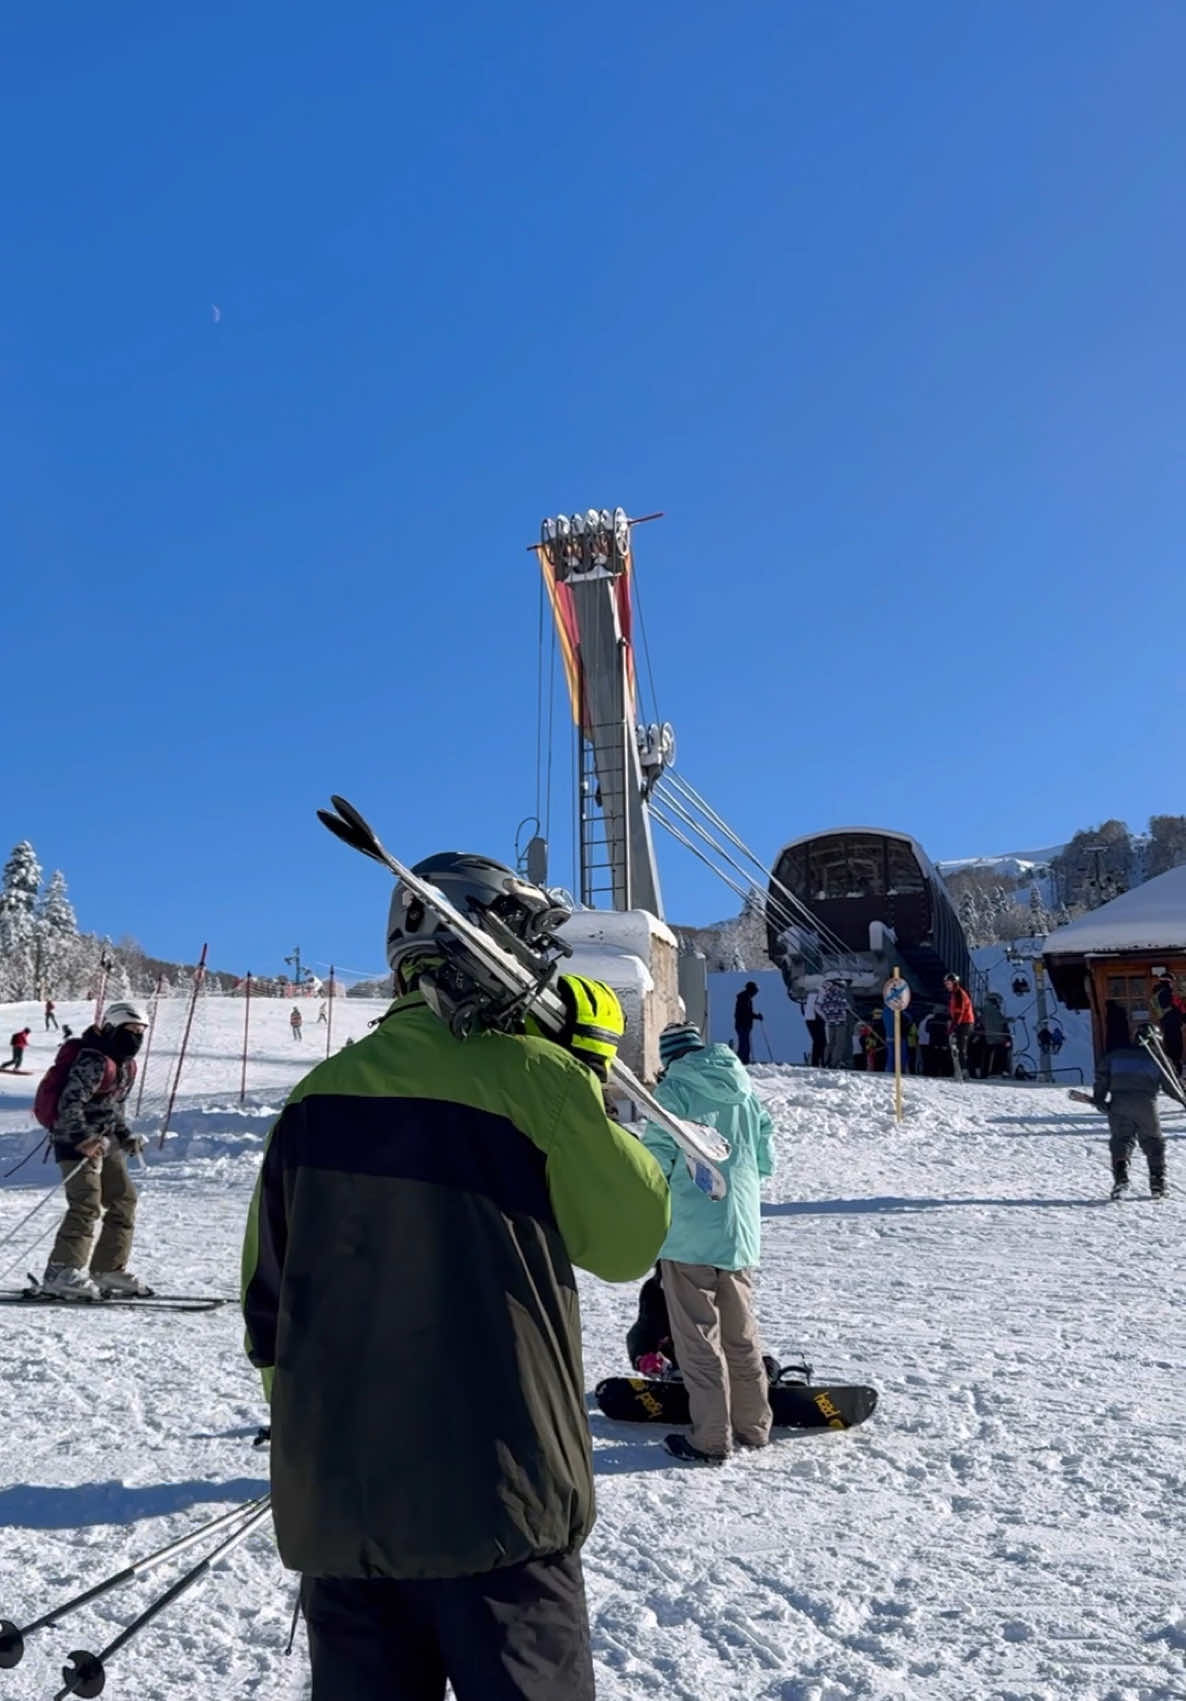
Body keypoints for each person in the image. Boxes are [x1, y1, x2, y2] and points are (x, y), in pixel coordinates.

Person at [242, 851, 670, 1701]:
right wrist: (583, 1078)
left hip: (345, 1517)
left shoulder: (312, 1100)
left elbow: (268, 1317)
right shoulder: (536, 1079)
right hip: (499, 1511)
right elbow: (631, 1238)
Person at [641, 1021, 775, 1465]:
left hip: (690, 1234)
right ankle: (754, 1427)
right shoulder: (745, 1089)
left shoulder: (674, 1093)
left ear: (670, 1058)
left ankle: (711, 1438)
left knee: (698, 1338)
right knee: (741, 1335)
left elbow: (655, 1162)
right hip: (739, 1233)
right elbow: (765, 1160)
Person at [41, 1002, 150, 1300]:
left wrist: (125, 1136)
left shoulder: (125, 1064)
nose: (137, 1037)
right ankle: (61, 1271)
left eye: (141, 1032)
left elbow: (112, 1107)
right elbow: (69, 1104)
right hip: (74, 1140)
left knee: (123, 1199)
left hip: (105, 1141)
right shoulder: (93, 1060)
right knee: (86, 1204)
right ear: (112, 1027)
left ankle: (108, 1269)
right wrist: (83, 1138)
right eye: (131, 1030)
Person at [1093, 1005, 1166, 1199]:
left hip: (1119, 1103)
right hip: (1146, 1105)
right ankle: (1157, 1182)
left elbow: (1102, 1078)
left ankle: (1121, 1177)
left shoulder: (1115, 1056)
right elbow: (1171, 1084)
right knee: (1153, 1141)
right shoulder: (1157, 1060)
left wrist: (1099, 1099)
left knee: (1121, 1141)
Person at [944, 974, 975, 1077]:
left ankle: (964, 1070)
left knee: (961, 1048)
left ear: (954, 983)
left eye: (948, 984)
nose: (947, 986)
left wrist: (954, 1026)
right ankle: (959, 1069)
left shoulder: (958, 994)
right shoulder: (954, 994)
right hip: (960, 1022)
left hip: (965, 1023)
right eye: (946, 984)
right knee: (956, 1047)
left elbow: (959, 1012)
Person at [818, 977, 849, 1068]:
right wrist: (846, 1006)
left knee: (831, 1043)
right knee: (839, 1044)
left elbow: (823, 1008)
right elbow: (843, 1005)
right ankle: (834, 1063)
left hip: (831, 1023)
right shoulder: (839, 994)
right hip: (840, 1022)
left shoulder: (827, 995)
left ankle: (826, 1061)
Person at [733, 981, 763, 1064]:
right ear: (751, 990)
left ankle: (743, 1062)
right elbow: (746, 1012)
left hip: (743, 1025)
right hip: (743, 1025)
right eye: (755, 991)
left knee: (745, 1045)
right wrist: (757, 1016)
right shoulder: (745, 998)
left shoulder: (746, 997)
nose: (755, 994)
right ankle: (742, 1062)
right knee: (744, 1045)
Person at [803, 988, 826, 1067]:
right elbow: (817, 1007)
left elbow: (804, 1006)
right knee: (822, 1041)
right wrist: (825, 1017)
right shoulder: (822, 992)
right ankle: (821, 1061)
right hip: (817, 1018)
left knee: (817, 1041)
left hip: (809, 1018)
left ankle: (816, 1062)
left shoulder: (809, 995)